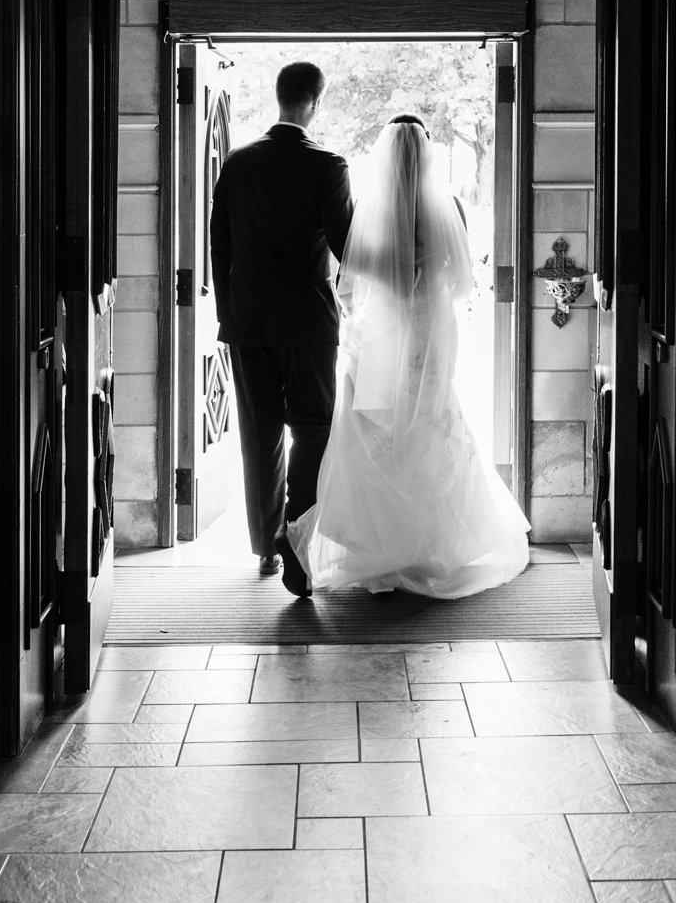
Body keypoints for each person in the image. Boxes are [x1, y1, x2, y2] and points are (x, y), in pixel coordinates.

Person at [287, 115, 531, 599]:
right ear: (427, 156)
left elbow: (352, 279)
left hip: (380, 337)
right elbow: (460, 283)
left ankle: (372, 544)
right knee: (432, 422)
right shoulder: (451, 207)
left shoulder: (368, 214)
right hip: (431, 333)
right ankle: (431, 547)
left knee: (374, 431)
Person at [209, 62, 354, 597]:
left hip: (248, 324)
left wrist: (232, 312)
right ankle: (299, 540)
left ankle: (267, 547)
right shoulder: (328, 165)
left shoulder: (240, 163)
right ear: (315, 103)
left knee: (260, 433)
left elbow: (218, 245)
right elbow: (348, 248)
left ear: (279, 98)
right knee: (313, 430)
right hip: (310, 324)